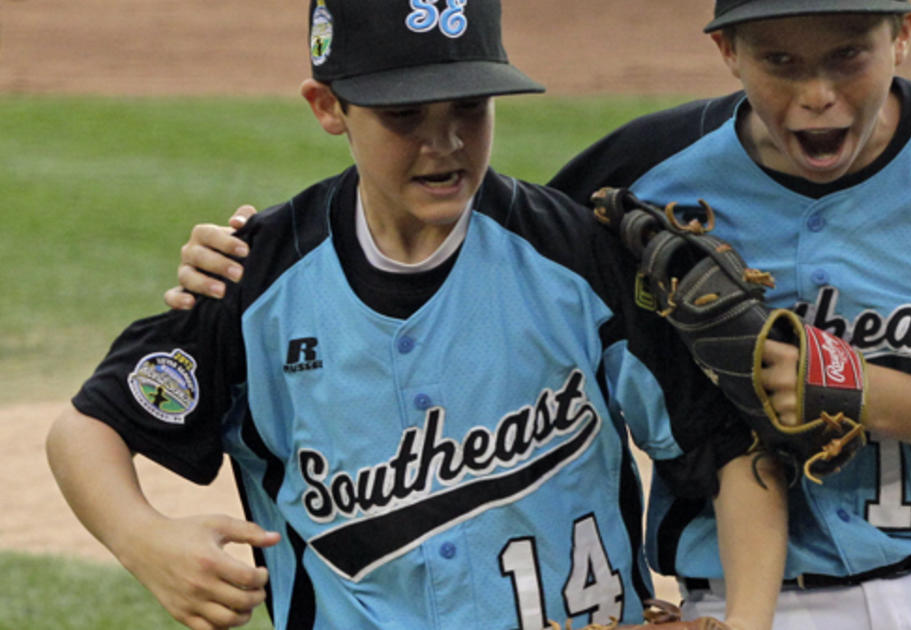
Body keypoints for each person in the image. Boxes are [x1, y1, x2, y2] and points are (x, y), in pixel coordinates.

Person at [168, 0, 911, 628]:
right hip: (748, 599)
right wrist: (244, 262)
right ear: (726, 51)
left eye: (851, 54)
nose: (819, 93)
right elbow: (474, 249)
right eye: (780, 59)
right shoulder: (641, 175)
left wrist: (862, 390)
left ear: (904, 34)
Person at [46, 1, 787, 629]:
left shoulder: (575, 256)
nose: (445, 142)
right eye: (404, 114)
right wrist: (145, 540)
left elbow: (732, 451)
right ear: (327, 106)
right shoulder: (257, 278)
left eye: (470, 105)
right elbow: (86, 428)